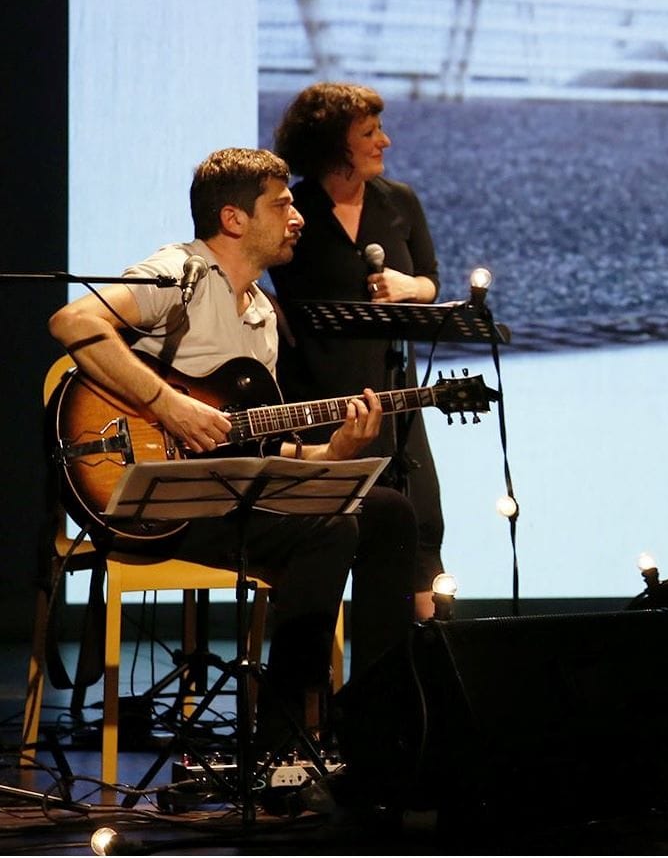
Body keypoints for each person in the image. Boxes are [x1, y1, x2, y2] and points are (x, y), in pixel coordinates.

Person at [47, 147, 417, 750]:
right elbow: (74, 323)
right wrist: (168, 406)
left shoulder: (263, 314)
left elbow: (259, 448)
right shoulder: (179, 272)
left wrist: (334, 453)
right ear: (234, 218)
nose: (298, 216)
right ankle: (281, 736)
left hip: (223, 497)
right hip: (151, 505)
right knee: (328, 528)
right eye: (283, 205)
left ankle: (376, 718)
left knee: (389, 511)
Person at [269, 82, 445, 621]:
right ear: (332, 144)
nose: (384, 142)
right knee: (327, 548)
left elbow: (432, 281)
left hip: (394, 398)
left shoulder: (399, 203)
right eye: (368, 133)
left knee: (420, 535)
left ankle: (414, 685)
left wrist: (409, 288)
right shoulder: (292, 209)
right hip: (315, 404)